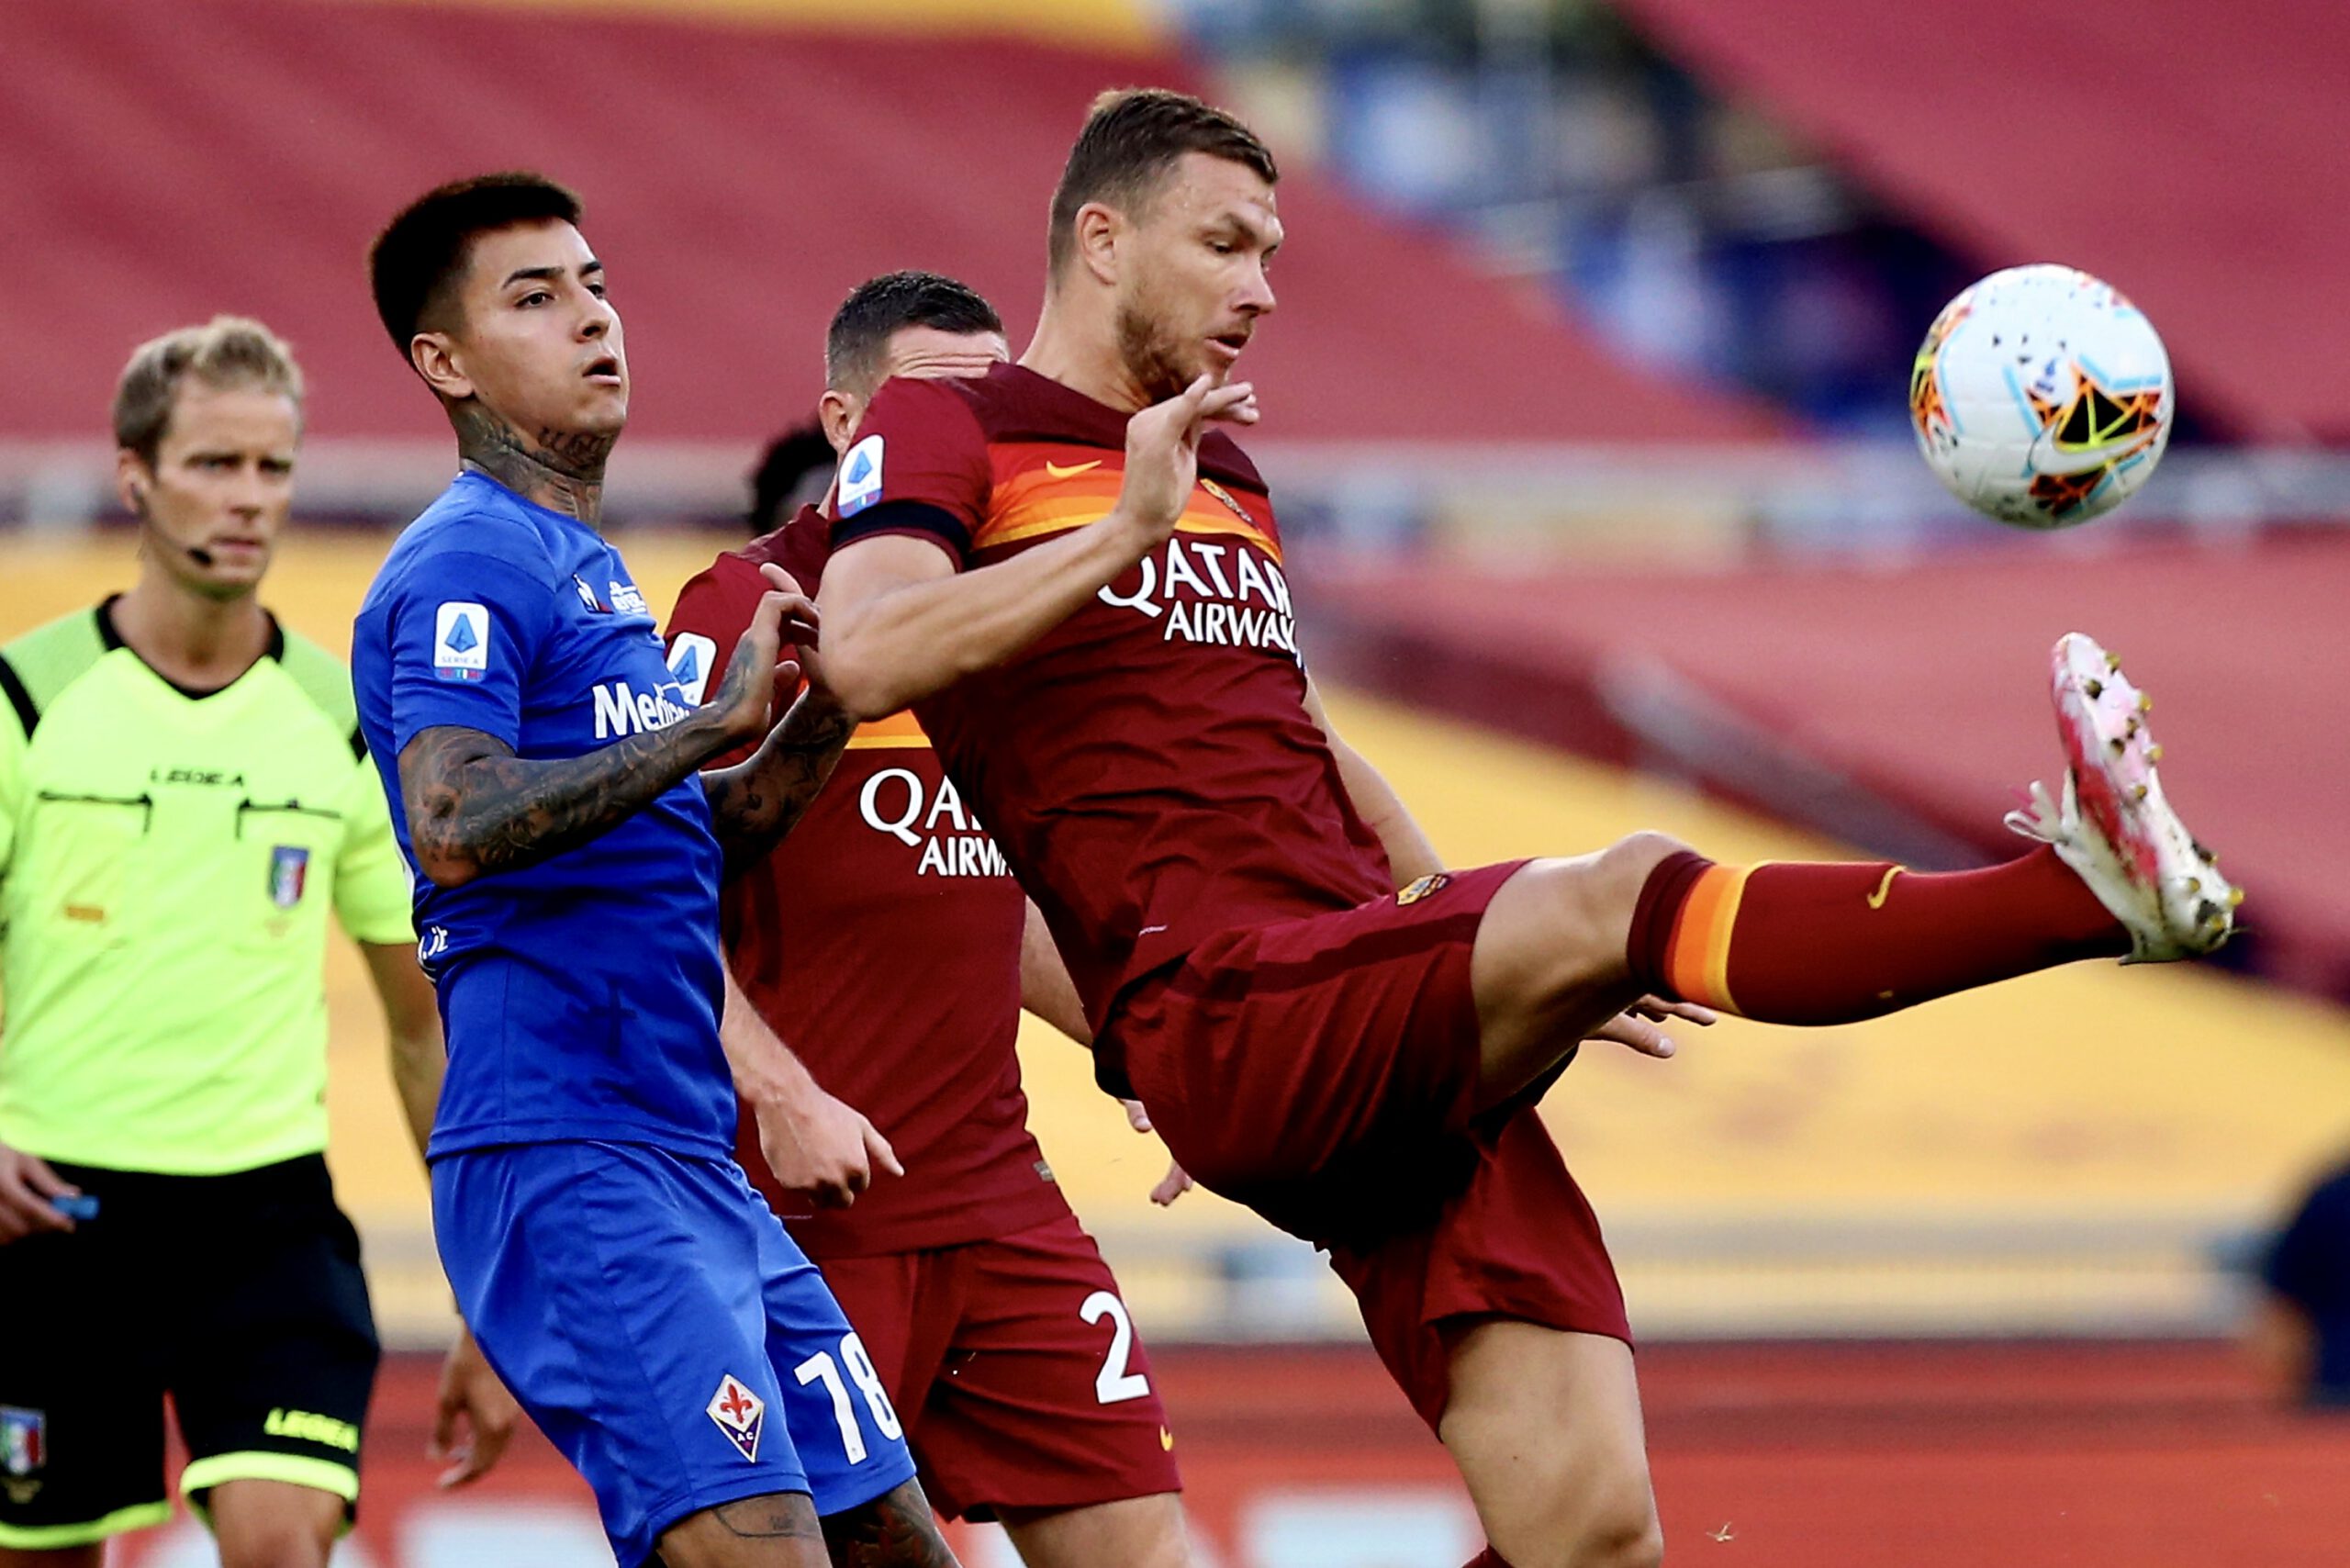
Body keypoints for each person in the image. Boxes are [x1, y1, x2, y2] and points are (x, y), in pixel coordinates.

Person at [808, 89, 2243, 1568]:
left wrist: (1484, 943)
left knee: (1592, 1536)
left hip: (1361, 989)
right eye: (1226, 245)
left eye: (1276, 253)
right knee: (1620, 884)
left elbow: (1293, 748)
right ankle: (2081, 891)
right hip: (1231, 1010)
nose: (1263, 289)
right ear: (1100, 242)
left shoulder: (1219, 466)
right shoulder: (955, 423)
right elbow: (862, 654)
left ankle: (2033, 896)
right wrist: (1123, 532)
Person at [353, 174, 957, 1568]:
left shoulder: (593, 576)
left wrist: (828, 708)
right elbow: (453, 816)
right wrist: (700, 727)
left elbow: (697, 832)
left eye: (597, 285)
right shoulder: (465, 564)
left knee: (897, 1545)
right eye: (535, 296)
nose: (593, 317)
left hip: (690, 1154)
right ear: (442, 364)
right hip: (570, 1151)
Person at [666, 271, 1191, 1568]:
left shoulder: (1017, 614)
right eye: (934, 401)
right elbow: (636, 898)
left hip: (998, 1202)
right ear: (846, 423)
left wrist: (1141, 1041)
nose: (975, 431)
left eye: (992, 400)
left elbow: (978, 883)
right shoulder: (745, 611)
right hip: (800, 1218)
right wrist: (779, 1093)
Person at [0, 319, 515, 1568]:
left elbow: (418, 1029)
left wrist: (483, 1296)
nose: (249, 500)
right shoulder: (28, 699)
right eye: (214, 465)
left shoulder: (346, 724)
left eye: (272, 469)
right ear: (136, 475)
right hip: (53, 1221)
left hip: (263, 1223)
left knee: (284, 1547)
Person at [2250, 1157, 2350, 1408]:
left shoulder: (2330, 1193)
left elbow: (2282, 1300)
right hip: (2337, 1385)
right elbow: (2283, 1299)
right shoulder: (2332, 1195)